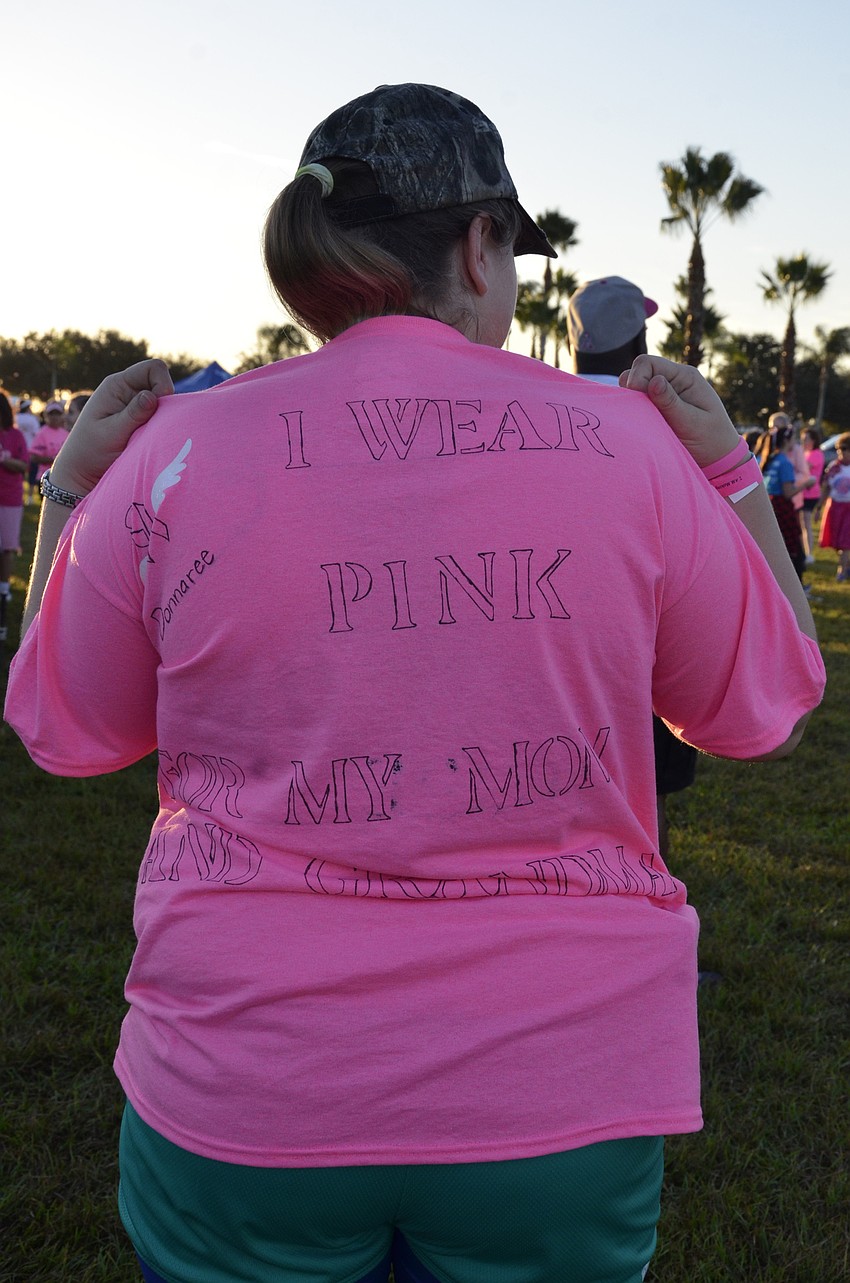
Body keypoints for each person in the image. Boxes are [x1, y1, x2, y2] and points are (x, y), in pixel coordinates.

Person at [5, 84, 825, 1283]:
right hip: (556, 1090)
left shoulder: (174, 450)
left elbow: (64, 727)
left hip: (246, 1085)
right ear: (481, 246)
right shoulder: (632, 448)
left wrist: (71, 491)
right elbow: (767, 709)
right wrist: (735, 479)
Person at [567, 275, 697, 862]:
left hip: (558, 640)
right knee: (649, 796)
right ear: (640, 339)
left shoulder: (532, 411)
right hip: (647, 638)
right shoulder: (665, 421)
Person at [758, 423, 812, 583]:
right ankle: (796, 585)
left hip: (770, 505)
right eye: (793, 439)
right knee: (792, 548)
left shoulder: (770, 459)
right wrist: (806, 484)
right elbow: (788, 492)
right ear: (786, 441)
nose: (795, 442)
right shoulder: (785, 462)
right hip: (782, 507)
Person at [0, 390, 29, 641]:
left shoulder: (16, 435)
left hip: (10, 498)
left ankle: (4, 588)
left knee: (7, 547)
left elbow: (23, 465)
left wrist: (4, 460)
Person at [818, 431, 850, 581]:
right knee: (838, 542)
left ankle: (841, 571)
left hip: (848, 508)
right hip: (835, 508)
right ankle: (846, 564)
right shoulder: (833, 467)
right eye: (839, 449)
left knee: (845, 541)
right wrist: (819, 507)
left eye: (845, 449)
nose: (841, 452)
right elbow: (826, 488)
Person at [28, 399, 68, 486]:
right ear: (46, 415)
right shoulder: (41, 433)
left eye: (57, 414)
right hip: (46, 478)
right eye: (51, 414)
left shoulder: (66, 433)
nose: (54, 417)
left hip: (62, 478)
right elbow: (34, 457)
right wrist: (54, 459)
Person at [801, 426, 825, 562]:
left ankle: (809, 553)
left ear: (814, 441)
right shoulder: (807, 453)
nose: (804, 442)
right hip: (803, 492)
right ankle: (805, 552)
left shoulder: (815, 454)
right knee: (802, 524)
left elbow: (803, 469)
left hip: (810, 494)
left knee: (806, 524)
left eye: (806, 439)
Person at [15, 395, 41, 503]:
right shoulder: (32, 419)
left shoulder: (16, 418)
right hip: (31, 449)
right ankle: (30, 497)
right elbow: (37, 433)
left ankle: (19, 495)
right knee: (32, 474)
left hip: (18, 450)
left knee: (19, 474)